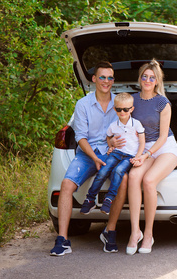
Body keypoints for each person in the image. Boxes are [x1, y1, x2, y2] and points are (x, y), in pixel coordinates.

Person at [50, 61, 126, 256]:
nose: (106, 81)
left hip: (111, 154)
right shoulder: (83, 104)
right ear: (94, 79)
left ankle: (109, 231)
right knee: (66, 185)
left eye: (110, 78)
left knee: (123, 180)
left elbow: (129, 129)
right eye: (102, 77)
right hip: (87, 153)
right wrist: (95, 158)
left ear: (113, 81)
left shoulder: (120, 104)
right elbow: (80, 137)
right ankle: (63, 239)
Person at [126, 59, 177, 255]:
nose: (148, 80)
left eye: (152, 77)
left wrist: (146, 154)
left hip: (165, 147)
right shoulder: (131, 100)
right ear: (140, 78)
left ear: (157, 81)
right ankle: (135, 232)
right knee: (133, 177)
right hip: (143, 146)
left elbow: (163, 136)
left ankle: (148, 234)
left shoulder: (162, 103)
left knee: (148, 181)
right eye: (144, 76)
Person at [80, 92, 145, 216]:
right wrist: (110, 147)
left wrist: (138, 156)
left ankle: (109, 199)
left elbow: (142, 142)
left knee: (118, 171)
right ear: (114, 109)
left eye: (126, 109)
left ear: (132, 109)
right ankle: (90, 199)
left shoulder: (136, 124)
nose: (122, 112)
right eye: (119, 109)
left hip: (130, 156)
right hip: (116, 153)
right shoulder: (113, 126)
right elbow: (108, 138)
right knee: (103, 171)